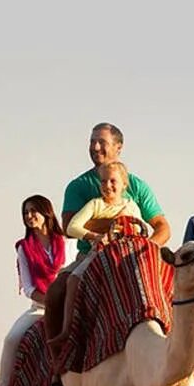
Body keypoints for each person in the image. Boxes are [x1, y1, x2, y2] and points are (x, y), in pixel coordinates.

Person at [43, 122, 170, 347]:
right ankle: (58, 365)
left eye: (102, 142)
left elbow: (162, 227)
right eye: (92, 142)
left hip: (136, 254)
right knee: (56, 293)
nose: (95, 147)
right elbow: (68, 226)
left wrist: (143, 250)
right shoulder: (79, 186)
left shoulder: (137, 187)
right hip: (92, 254)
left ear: (118, 147)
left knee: (183, 288)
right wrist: (115, 226)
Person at [47, 161, 151, 349]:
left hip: (124, 256)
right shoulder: (96, 204)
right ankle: (67, 330)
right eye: (103, 181)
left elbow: (141, 230)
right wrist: (96, 237)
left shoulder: (131, 207)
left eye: (113, 181)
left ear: (124, 185)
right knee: (73, 279)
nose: (107, 186)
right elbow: (72, 227)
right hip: (97, 256)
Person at [0, 195, 66, 386]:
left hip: (68, 304)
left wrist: (61, 301)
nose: (29, 216)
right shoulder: (24, 248)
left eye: (34, 211)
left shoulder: (67, 243)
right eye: (25, 213)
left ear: (47, 213)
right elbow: (27, 287)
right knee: (11, 340)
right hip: (40, 307)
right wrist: (49, 301)